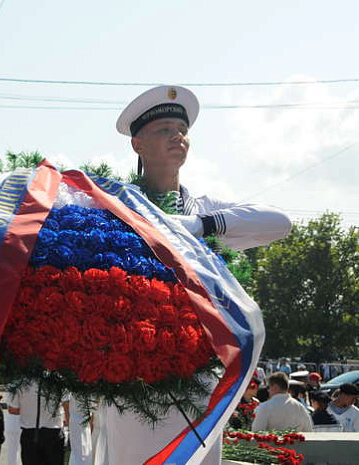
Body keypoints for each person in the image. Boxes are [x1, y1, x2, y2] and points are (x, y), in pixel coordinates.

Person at [100, 85, 292, 464]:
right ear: (138, 145)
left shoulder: (204, 209)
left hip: (200, 368)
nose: (177, 137)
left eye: (181, 129)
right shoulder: (116, 205)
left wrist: (201, 225)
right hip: (132, 372)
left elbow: (280, 223)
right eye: (164, 130)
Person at [8, 381, 68, 465]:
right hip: (53, 432)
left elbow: (13, 409)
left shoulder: (20, 382)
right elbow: (66, 403)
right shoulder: (58, 379)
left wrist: (28, 410)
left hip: (30, 433)